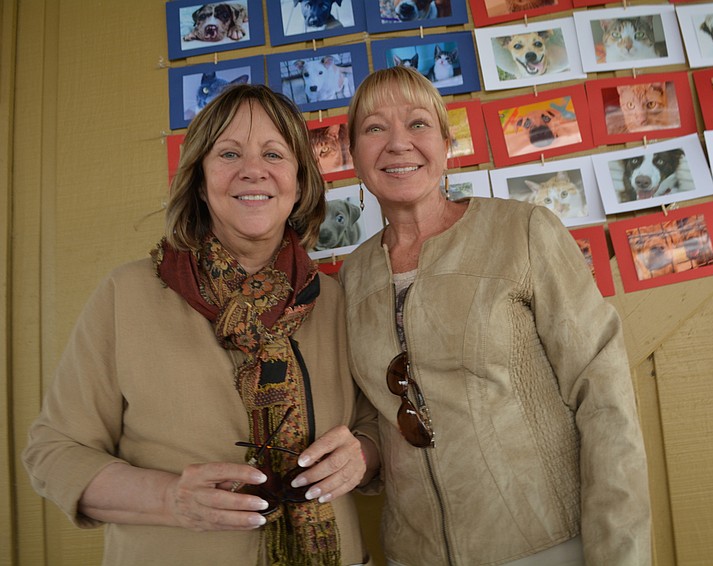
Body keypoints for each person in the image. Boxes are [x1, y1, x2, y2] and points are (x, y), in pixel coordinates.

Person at [22, 84, 380, 566]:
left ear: (299, 181)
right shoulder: (126, 293)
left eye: (274, 153)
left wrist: (363, 452)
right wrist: (170, 499)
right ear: (199, 179)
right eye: (229, 153)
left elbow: (372, 424)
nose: (253, 170)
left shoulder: (336, 300)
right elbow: (55, 452)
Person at [339, 65, 651, 566]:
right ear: (352, 153)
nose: (398, 143)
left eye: (418, 124)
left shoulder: (522, 232)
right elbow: (371, 416)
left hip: (546, 546)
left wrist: (619, 552)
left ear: (446, 142)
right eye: (374, 128)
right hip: (412, 553)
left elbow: (604, 396)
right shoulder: (350, 279)